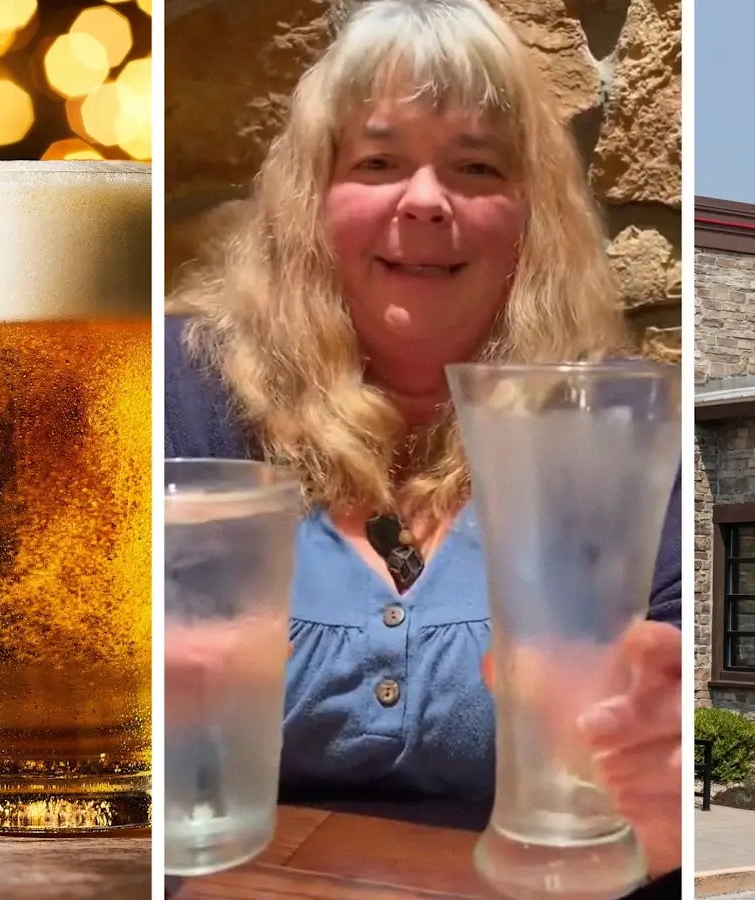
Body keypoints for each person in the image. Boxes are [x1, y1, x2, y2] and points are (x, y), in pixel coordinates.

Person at [165, 0, 682, 889]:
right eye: (378, 160)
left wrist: (662, 808)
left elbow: (652, 780)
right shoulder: (188, 388)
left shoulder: (606, 437)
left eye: (477, 167)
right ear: (310, 202)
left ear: (530, 218)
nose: (428, 200)